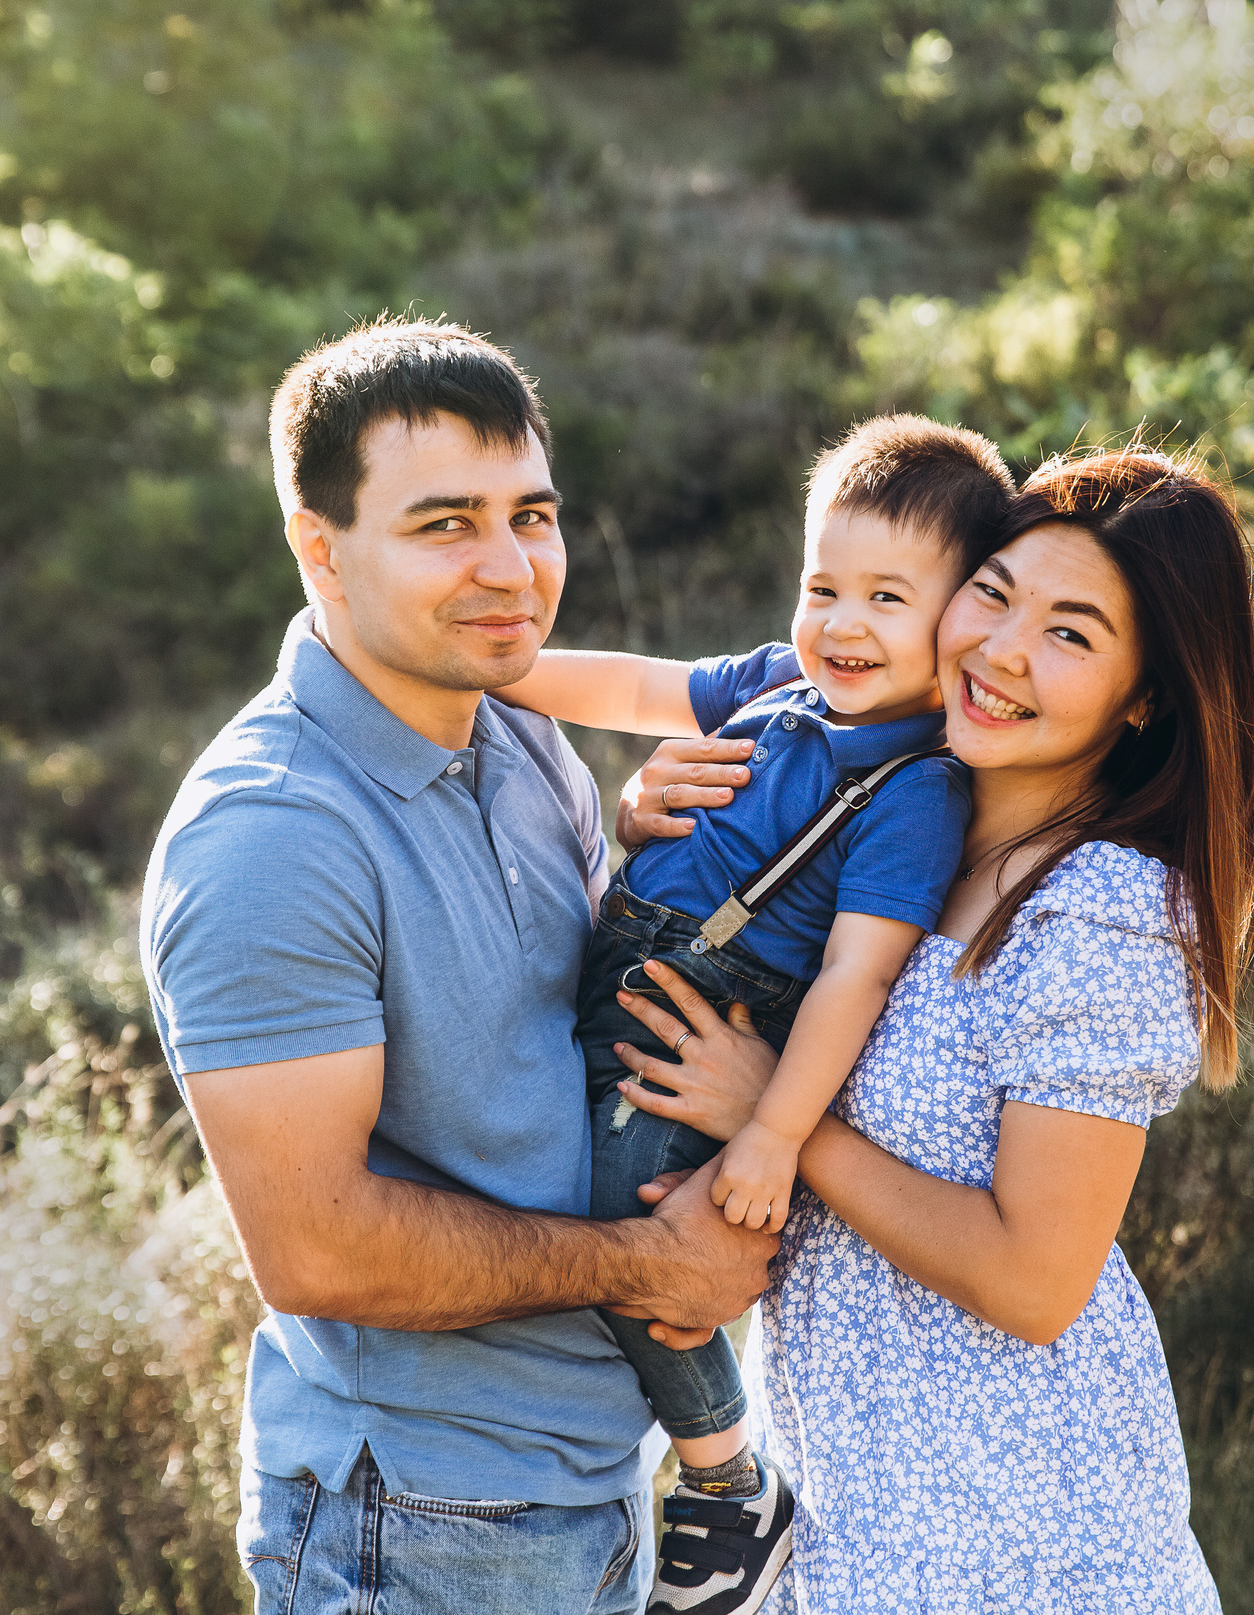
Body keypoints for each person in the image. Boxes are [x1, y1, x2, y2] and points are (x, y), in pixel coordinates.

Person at [137, 318, 777, 1615]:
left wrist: (653, 868)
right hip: (416, 1519)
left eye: (530, 514)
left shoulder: (524, 736)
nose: (510, 566)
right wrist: (639, 1266)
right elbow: (319, 1248)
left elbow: (550, 1037)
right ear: (321, 548)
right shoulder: (270, 833)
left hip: (596, 1474)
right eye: (444, 525)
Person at [606, 446, 1254, 1612]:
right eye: (995, 593)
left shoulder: (1098, 909)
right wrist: (653, 809)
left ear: (1145, 696)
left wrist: (777, 1121)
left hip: (1020, 1536)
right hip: (853, 1512)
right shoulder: (903, 818)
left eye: (1070, 634)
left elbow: (1034, 1281)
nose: (1002, 651)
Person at [496, 417, 1015, 1615]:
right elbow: (633, 686)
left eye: (889, 598)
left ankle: (729, 1485)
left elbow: (853, 980)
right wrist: (478, 668)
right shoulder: (783, 687)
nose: (841, 624)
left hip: (707, 1025)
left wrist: (775, 1135)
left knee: (623, 1218)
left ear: (957, 626)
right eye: (821, 586)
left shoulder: (917, 785)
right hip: (616, 977)